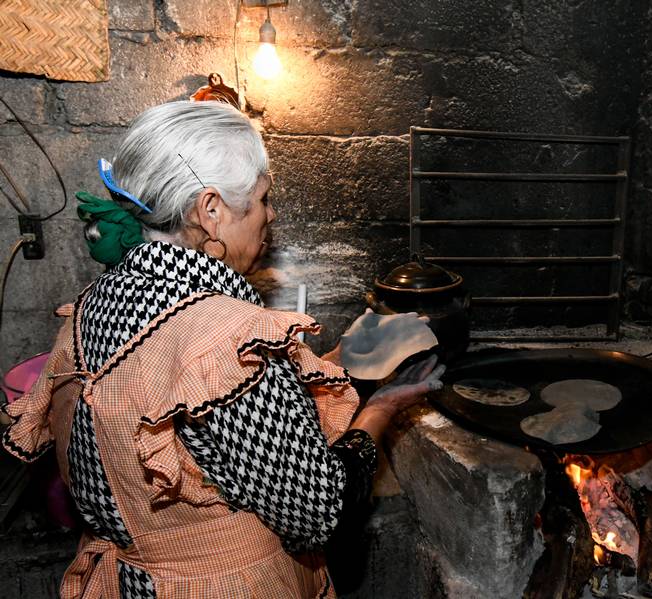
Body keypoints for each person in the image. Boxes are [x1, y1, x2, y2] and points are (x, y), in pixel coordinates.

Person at [0, 100, 442, 598]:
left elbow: (199, 426)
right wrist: (381, 407)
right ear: (211, 211)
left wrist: (334, 359)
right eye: (262, 199)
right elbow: (320, 511)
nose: (270, 215)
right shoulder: (227, 338)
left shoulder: (88, 308)